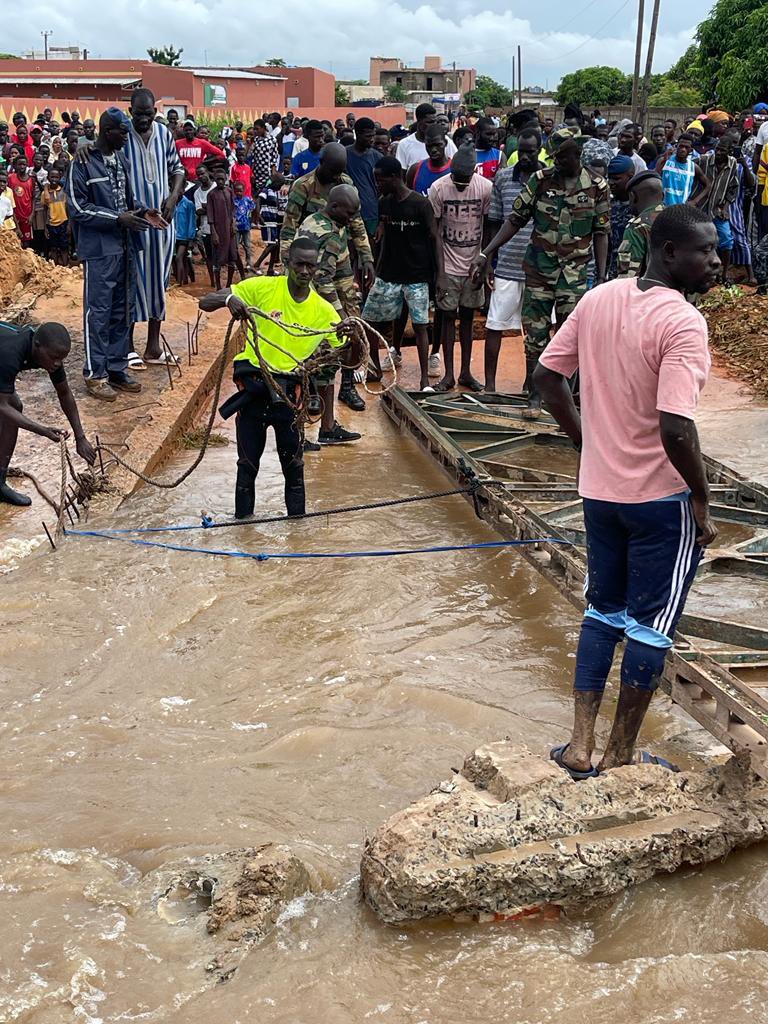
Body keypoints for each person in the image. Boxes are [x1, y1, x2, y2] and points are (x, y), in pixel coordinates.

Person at [533, 204, 720, 779]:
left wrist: (588, 444)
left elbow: (546, 379)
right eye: (704, 251)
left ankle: (579, 746)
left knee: (602, 611)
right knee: (649, 626)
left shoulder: (598, 298)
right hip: (660, 501)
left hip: (600, 492)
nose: (716, 261)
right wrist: (702, 496)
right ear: (668, 253)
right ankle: (618, 757)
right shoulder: (683, 322)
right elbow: (675, 426)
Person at [198, 237, 359, 516]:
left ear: (317, 268)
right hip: (254, 393)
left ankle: (298, 537)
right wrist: (229, 299)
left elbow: (348, 359)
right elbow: (205, 302)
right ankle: (243, 534)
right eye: (299, 265)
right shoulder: (262, 288)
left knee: (294, 471)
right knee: (247, 467)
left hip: (290, 397)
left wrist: (353, 338)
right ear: (287, 264)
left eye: (311, 266)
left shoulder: (323, 311)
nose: (305, 272)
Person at [471, 127, 610, 418]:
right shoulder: (540, 181)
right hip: (538, 272)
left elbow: (601, 232)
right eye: (554, 156)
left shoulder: (597, 186)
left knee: (570, 337)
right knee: (535, 337)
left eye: (561, 157)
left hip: (574, 275)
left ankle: (564, 400)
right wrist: (487, 253)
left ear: (577, 155)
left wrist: (600, 275)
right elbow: (514, 220)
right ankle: (535, 396)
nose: (555, 162)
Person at [65, 107, 154, 401]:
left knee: (122, 309)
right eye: (122, 133)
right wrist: (117, 218)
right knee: (98, 311)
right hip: (100, 251)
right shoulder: (82, 163)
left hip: (126, 246)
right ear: (107, 132)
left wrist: (142, 211)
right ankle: (95, 373)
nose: (127, 138)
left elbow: (126, 199)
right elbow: (77, 209)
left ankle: (116, 367)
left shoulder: (121, 159)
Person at [280, 142, 374, 413]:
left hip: (339, 263)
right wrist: (293, 270)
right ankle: (311, 390)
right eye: (332, 172)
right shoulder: (303, 186)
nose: (337, 177)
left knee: (352, 321)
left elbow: (355, 222)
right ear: (322, 165)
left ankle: (347, 386)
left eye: (340, 173)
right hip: (310, 266)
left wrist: (365, 256)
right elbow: (289, 230)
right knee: (319, 329)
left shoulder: (344, 183)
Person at [0, 322, 96, 507]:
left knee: (15, 406)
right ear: (37, 345)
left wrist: (80, 437)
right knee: (10, 406)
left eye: (62, 359)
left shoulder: (51, 355)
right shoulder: (10, 353)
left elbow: (64, 393)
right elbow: (2, 407)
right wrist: (43, 430)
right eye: (54, 358)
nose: (57, 363)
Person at [362, 156, 439, 389]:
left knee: (420, 325)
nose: (378, 184)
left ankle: (425, 378)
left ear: (395, 177)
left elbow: (434, 239)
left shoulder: (421, 204)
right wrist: (376, 267)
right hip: (388, 273)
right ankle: (374, 368)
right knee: (370, 320)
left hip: (417, 275)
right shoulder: (384, 202)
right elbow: (382, 238)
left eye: (381, 179)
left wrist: (439, 276)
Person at [123, 88, 185, 367]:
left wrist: (173, 198)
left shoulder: (164, 134)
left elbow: (179, 170)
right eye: (139, 114)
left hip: (162, 224)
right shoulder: (121, 135)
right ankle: (126, 347)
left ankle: (153, 347)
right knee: (131, 282)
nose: (144, 119)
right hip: (134, 223)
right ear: (130, 111)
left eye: (149, 114)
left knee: (159, 283)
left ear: (155, 112)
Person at [483, 130, 544, 392]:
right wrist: (488, 259)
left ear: (539, 149)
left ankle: (531, 385)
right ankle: (489, 386)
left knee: (538, 332)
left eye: (531, 150)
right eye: (522, 150)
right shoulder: (504, 178)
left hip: (540, 269)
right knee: (494, 324)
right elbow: (494, 222)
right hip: (507, 265)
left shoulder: (548, 180)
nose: (526, 156)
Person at [428, 144, 492, 392]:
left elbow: (488, 227)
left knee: (468, 318)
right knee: (446, 318)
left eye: (465, 179)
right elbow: (434, 233)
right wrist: (440, 273)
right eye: (457, 178)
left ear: (474, 172)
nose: (461, 183)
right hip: (448, 265)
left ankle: (466, 372)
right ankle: (449, 375)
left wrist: (484, 262)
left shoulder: (485, 188)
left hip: (473, 265)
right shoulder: (439, 188)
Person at [700, 137, 740, 281]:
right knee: (702, 240)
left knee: (727, 239)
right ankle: (705, 274)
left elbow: (733, 187)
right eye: (717, 149)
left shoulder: (732, 164)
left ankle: (723, 274)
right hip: (701, 208)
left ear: (729, 151)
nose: (719, 153)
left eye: (722, 150)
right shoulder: (704, 160)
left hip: (717, 209)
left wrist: (725, 207)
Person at [616, 170, 664, 278]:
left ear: (633, 196)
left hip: (647, 293)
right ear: (663, 195)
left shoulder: (637, 227)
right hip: (677, 294)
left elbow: (627, 278)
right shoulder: (678, 219)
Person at [344, 117, 382, 241]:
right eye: (368, 136)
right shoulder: (344, 155)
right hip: (348, 213)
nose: (372, 139)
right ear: (358, 134)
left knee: (370, 251)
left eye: (373, 135)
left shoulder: (378, 157)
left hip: (371, 212)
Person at [207, 165, 243, 288]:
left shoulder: (229, 191)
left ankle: (228, 284)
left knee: (232, 256)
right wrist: (214, 233)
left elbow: (233, 210)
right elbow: (210, 216)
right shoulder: (211, 194)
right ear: (215, 180)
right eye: (218, 179)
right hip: (219, 230)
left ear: (226, 178)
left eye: (222, 179)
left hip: (230, 230)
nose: (220, 181)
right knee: (217, 259)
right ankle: (218, 286)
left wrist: (233, 223)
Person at [395, 104, 458, 170]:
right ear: (419, 121)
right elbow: (402, 173)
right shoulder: (404, 144)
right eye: (429, 122)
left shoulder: (444, 140)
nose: (433, 125)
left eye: (435, 121)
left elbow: (456, 164)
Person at [658, 134, 710, 207]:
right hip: (662, 207)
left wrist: (694, 201)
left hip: (681, 210)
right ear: (676, 146)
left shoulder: (693, 167)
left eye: (686, 147)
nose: (683, 149)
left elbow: (708, 185)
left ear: (691, 150)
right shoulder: (666, 161)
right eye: (681, 146)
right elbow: (654, 178)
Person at [607, 155, 635, 279]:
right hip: (611, 273)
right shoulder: (607, 204)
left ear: (630, 177)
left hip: (632, 274)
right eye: (609, 178)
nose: (611, 183)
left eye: (616, 179)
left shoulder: (638, 206)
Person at [254, 173, 285, 275]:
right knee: (273, 244)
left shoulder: (275, 192)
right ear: (275, 183)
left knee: (275, 245)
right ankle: (257, 264)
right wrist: (258, 215)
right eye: (280, 184)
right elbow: (258, 200)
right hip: (266, 220)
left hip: (273, 221)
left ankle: (270, 269)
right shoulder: (266, 190)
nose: (281, 186)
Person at [405, 123, 451, 194]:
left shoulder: (456, 170)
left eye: (437, 145)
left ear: (445, 143)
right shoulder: (415, 170)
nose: (433, 150)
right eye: (429, 146)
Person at [194, 163, 217, 287]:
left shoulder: (215, 187)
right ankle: (213, 281)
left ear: (207, 172)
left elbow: (219, 208)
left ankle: (219, 281)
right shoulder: (197, 193)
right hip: (205, 228)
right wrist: (210, 207)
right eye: (198, 175)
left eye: (203, 173)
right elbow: (198, 211)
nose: (201, 176)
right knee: (209, 256)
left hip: (218, 227)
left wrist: (206, 207)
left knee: (219, 255)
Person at [42, 166, 69, 266]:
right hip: (51, 224)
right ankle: (55, 268)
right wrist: (45, 227)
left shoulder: (64, 192)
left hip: (63, 222)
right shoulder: (44, 194)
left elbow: (68, 209)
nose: (54, 179)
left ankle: (65, 266)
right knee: (53, 247)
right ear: (48, 178)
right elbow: (45, 210)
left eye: (56, 177)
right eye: (52, 177)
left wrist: (69, 224)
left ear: (60, 177)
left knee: (64, 247)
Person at [9, 155, 35, 246]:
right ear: (15, 165)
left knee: (26, 243)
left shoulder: (31, 180)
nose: (22, 167)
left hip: (27, 216)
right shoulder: (11, 178)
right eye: (19, 164)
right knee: (14, 242)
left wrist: (32, 214)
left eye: (24, 164)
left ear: (27, 165)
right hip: (14, 215)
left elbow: (33, 198)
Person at [173, 186, 197, 284]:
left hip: (185, 236)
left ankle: (179, 283)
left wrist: (191, 238)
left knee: (179, 257)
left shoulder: (188, 204)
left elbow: (192, 221)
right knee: (181, 258)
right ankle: (185, 279)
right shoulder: (172, 204)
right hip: (174, 236)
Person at [232, 179, 256, 272]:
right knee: (235, 245)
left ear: (244, 190)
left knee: (247, 245)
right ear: (234, 191)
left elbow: (253, 209)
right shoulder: (233, 201)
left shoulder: (248, 200)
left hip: (246, 226)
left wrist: (251, 220)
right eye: (237, 191)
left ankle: (249, 262)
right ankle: (235, 262)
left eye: (240, 191)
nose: (239, 193)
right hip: (236, 227)